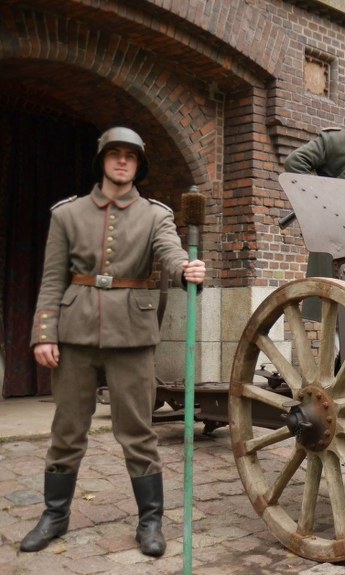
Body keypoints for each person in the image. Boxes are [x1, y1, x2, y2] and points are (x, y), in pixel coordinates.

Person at [20, 127, 206, 557]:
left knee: (137, 432)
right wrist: (44, 334)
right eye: (115, 154)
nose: (122, 161)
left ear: (139, 165)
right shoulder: (67, 214)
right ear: (102, 160)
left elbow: (170, 252)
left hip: (132, 335)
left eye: (131, 156)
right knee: (67, 430)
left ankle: (150, 521)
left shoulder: (155, 215)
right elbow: (52, 279)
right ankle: (55, 515)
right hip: (76, 332)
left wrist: (185, 269)